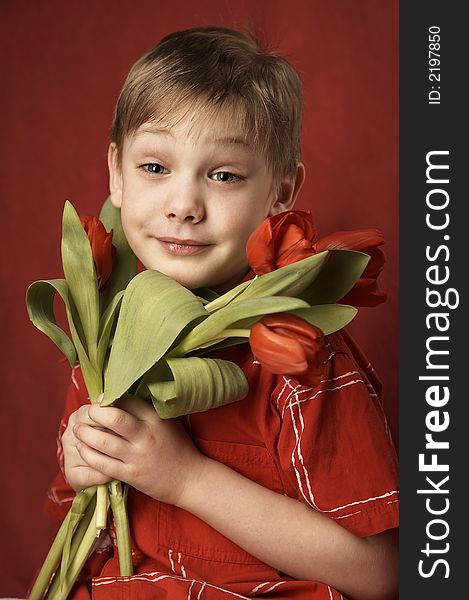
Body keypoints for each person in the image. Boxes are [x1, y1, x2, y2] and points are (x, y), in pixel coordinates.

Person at [44, 26, 399, 600]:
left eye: (225, 175)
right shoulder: (102, 336)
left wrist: (186, 478)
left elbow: (381, 574)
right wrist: (84, 463)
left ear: (282, 192)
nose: (184, 205)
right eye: (155, 167)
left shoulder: (300, 356)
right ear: (116, 172)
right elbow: (85, 524)